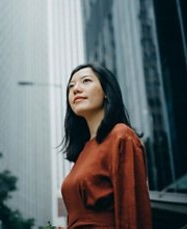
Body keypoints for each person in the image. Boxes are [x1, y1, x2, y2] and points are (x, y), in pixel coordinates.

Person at [61, 63, 152, 228]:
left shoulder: (121, 136)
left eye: (86, 81)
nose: (76, 89)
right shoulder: (82, 153)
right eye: (71, 86)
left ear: (106, 93)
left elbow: (132, 211)